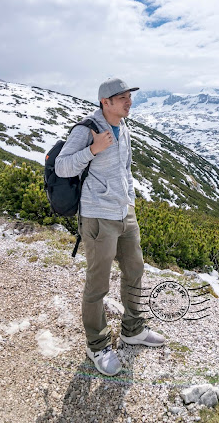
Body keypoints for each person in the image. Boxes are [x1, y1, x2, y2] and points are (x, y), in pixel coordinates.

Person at [55, 77, 165, 376]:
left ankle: (133, 329)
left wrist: (130, 200)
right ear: (106, 102)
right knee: (98, 282)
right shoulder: (87, 129)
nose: (129, 101)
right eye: (123, 97)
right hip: (98, 217)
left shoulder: (124, 126)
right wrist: (92, 150)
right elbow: (62, 167)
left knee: (135, 269)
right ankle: (97, 344)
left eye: (130, 96)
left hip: (123, 213)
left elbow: (125, 168)